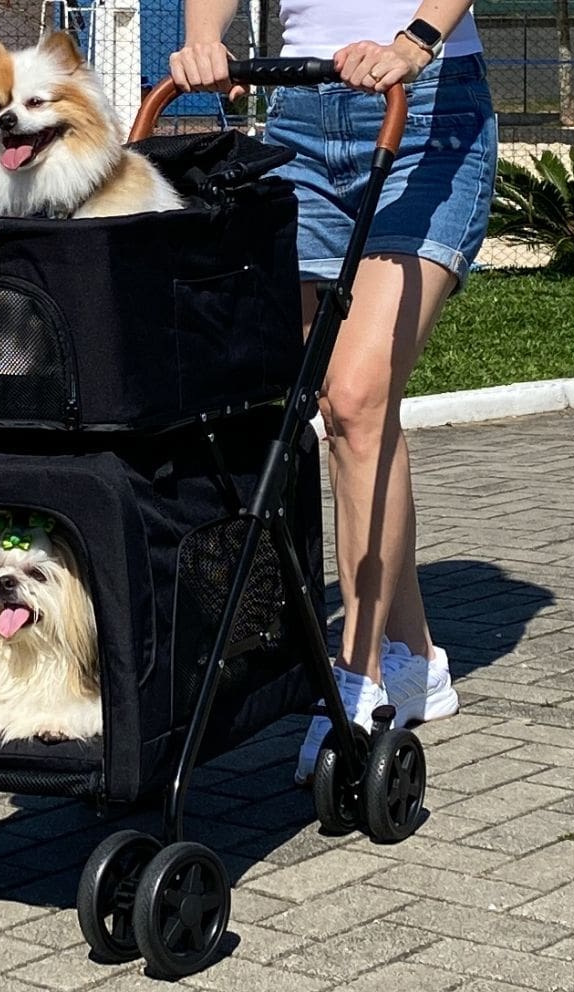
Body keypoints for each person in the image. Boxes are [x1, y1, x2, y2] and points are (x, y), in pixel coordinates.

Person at [170, 2, 497, 784]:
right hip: (300, 115)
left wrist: (416, 41)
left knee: (354, 399)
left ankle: (357, 677)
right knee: (328, 405)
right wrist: (203, 39)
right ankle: (413, 656)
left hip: (428, 112)